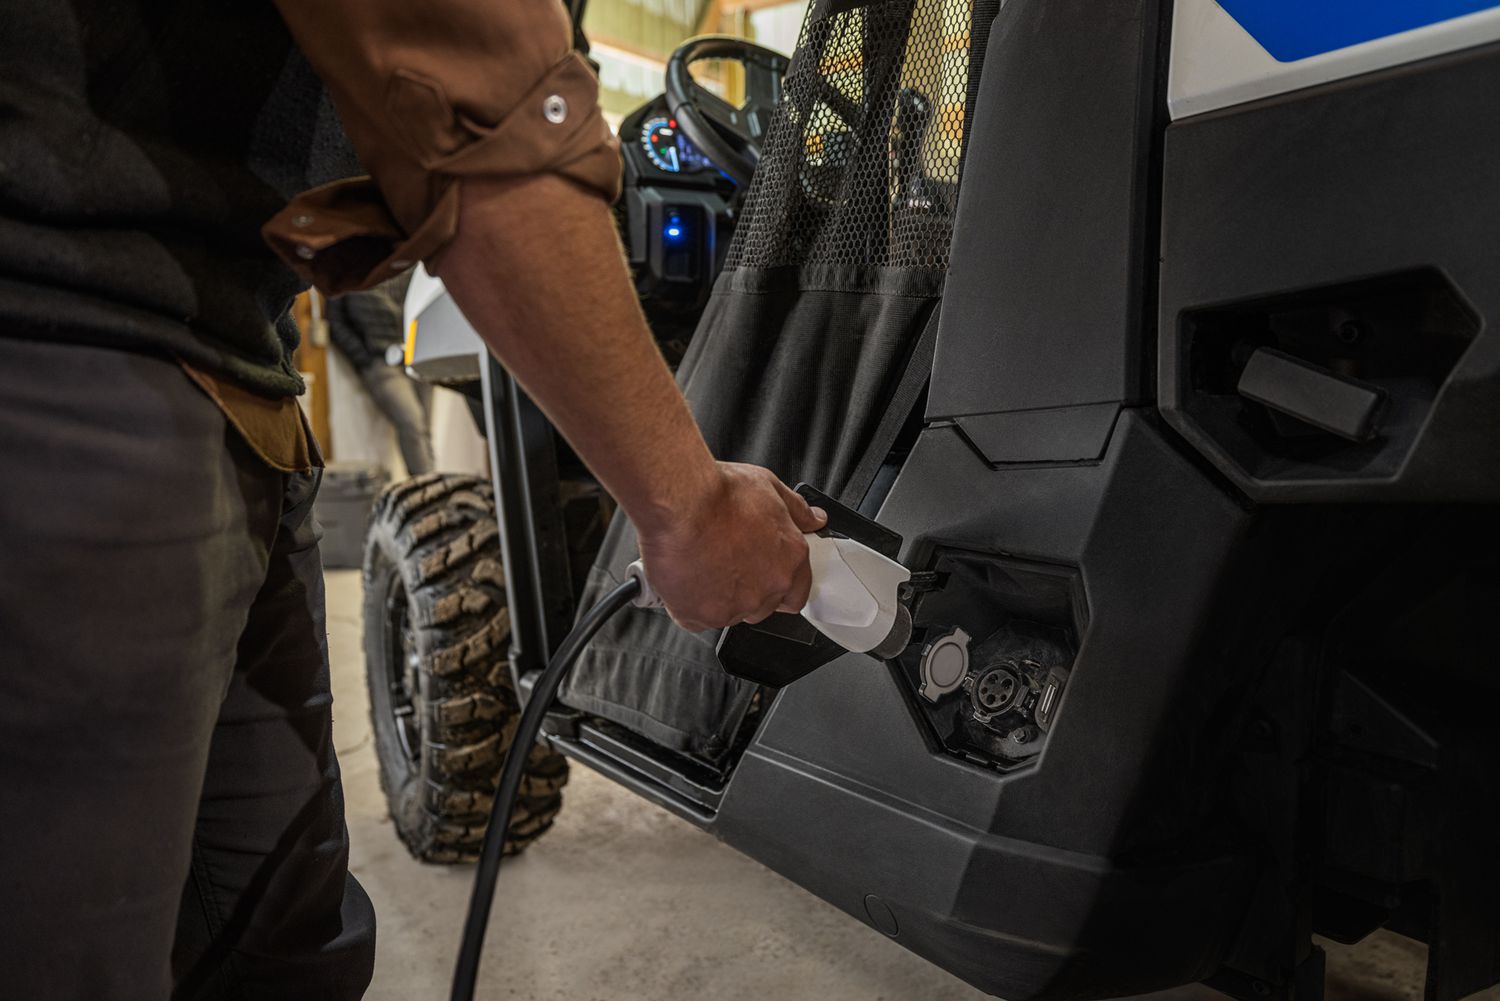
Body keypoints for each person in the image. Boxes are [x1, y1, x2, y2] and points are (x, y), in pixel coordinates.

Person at [0, 2, 824, 998]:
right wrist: (686, 508)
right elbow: (493, 117)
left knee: (285, 943)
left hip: (222, 359)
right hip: (69, 346)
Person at [324, 274, 436, 476]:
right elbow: (335, 322)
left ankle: (430, 485)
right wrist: (364, 357)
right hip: (381, 361)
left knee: (424, 427)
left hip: (415, 355)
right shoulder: (350, 271)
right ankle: (428, 488)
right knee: (412, 422)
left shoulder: (407, 266)